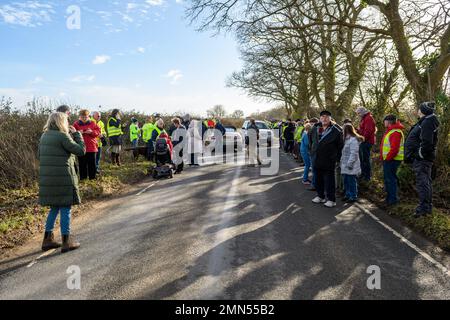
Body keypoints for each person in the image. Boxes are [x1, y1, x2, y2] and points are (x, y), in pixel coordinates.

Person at [39, 112, 85, 253]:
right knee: (65, 208)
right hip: (63, 177)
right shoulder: (63, 136)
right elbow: (80, 150)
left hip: (48, 179)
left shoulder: (44, 136)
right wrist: (77, 135)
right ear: (61, 122)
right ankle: (67, 241)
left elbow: (39, 155)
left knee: (54, 208)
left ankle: (48, 239)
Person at [405, 102, 440, 218]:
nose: (417, 111)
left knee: (423, 183)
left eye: (419, 109)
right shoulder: (427, 121)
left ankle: (424, 209)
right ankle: (426, 207)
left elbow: (427, 143)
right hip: (423, 159)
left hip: (422, 159)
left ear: (423, 111)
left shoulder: (428, 122)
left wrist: (419, 154)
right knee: (425, 182)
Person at [312, 111, 344, 208]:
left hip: (329, 159)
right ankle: (320, 196)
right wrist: (312, 151)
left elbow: (340, 146)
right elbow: (312, 141)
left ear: (330, 118)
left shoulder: (336, 131)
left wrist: (337, 159)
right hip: (317, 158)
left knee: (329, 181)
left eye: (327, 117)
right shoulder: (315, 128)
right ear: (320, 118)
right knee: (318, 179)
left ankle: (331, 199)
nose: (324, 118)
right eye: (322, 117)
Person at [380, 114, 405, 206]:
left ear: (389, 122)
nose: (383, 123)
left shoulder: (395, 132)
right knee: (388, 179)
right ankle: (389, 198)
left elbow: (394, 149)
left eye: (385, 121)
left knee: (390, 179)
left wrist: (387, 158)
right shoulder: (391, 131)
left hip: (392, 160)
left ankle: (392, 200)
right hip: (389, 159)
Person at [73, 109, 100, 180]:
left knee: (92, 164)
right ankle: (83, 178)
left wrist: (91, 132)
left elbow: (98, 132)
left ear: (88, 116)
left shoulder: (93, 123)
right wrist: (79, 133)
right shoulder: (76, 124)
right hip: (81, 147)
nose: (84, 119)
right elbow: (72, 134)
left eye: (86, 117)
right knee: (82, 164)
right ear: (79, 117)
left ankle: (92, 178)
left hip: (92, 147)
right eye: (82, 117)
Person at [341, 124, 364, 203]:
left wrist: (350, 164)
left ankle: (353, 196)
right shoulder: (346, 139)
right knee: (346, 180)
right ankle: (347, 195)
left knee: (351, 181)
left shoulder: (353, 140)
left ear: (346, 130)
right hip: (345, 164)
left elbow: (354, 153)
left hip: (351, 165)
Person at [356, 107, 377, 182]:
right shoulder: (364, 118)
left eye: (358, 113)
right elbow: (362, 129)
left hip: (367, 141)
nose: (357, 115)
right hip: (364, 141)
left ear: (362, 112)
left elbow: (368, 131)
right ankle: (363, 174)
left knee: (365, 159)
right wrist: (356, 130)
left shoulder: (368, 118)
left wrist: (362, 138)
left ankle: (367, 176)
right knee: (363, 159)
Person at [308, 117, 320, 190]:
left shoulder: (315, 129)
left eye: (311, 123)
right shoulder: (319, 128)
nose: (310, 125)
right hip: (316, 151)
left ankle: (314, 185)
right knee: (316, 169)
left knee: (314, 169)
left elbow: (314, 142)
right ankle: (316, 185)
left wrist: (312, 151)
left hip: (315, 152)